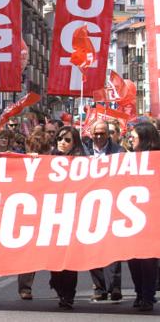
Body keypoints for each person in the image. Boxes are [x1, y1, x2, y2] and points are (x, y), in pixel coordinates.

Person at [84, 120, 125, 302]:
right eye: (96, 133)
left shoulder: (119, 152)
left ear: (108, 134)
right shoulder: (83, 152)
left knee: (113, 248)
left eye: (102, 133)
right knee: (93, 248)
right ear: (90, 134)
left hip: (113, 204)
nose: (99, 137)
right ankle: (99, 288)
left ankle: (114, 286)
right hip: (89, 205)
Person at [50, 126, 86, 310]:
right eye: (59, 139)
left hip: (72, 215)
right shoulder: (47, 160)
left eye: (67, 140)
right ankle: (57, 285)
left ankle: (68, 295)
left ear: (75, 143)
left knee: (69, 260)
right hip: (52, 215)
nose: (62, 143)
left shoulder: (83, 162)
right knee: (54, 260)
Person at [127, 122, 160, 312]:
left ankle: (148, 296)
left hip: (151, 215)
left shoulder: (156, 159)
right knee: (133, 258)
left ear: (145, 139)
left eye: (134, 136)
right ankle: (139, 293)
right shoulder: (127, 159)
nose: (130, 139)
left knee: (148, 260)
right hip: (132, 215)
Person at [16, 131, 53, 300]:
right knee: (30, 252)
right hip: (32, 212)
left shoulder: (56, 163)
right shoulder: (20, 163)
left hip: (48, 211)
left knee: (34, 252)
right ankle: (26, 287)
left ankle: (27, 287)